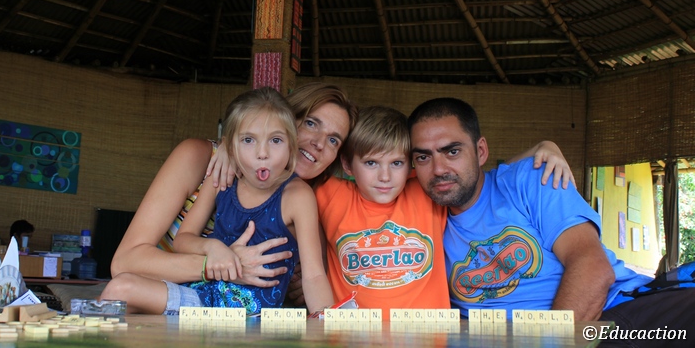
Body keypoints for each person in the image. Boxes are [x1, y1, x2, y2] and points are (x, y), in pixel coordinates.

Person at [408, 97, 694, 345]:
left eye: (452, 151)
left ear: (481, 151)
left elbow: (593, 268)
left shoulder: (530, 180)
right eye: (423, 157)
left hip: (612, 312)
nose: (439, 169)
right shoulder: (415, 217)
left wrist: (554, 343)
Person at [102, 83, 357, 307]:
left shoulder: (305, 198)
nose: (319, 143)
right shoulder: (214, 172)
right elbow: (130, 261)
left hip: (240, 309)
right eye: (311, 124)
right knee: (121, 295)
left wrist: (309, 301)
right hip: (186, 291)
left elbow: (313, 279)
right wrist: (222, 263)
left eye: (334, 140)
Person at [316, 106, 449, 313]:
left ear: (411, 165)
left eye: (396, 163)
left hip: (427, 331)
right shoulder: (331, 195)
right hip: (351, 332)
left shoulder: (427, 190)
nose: (385, 176)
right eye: (371, 163)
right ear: (347, 164)